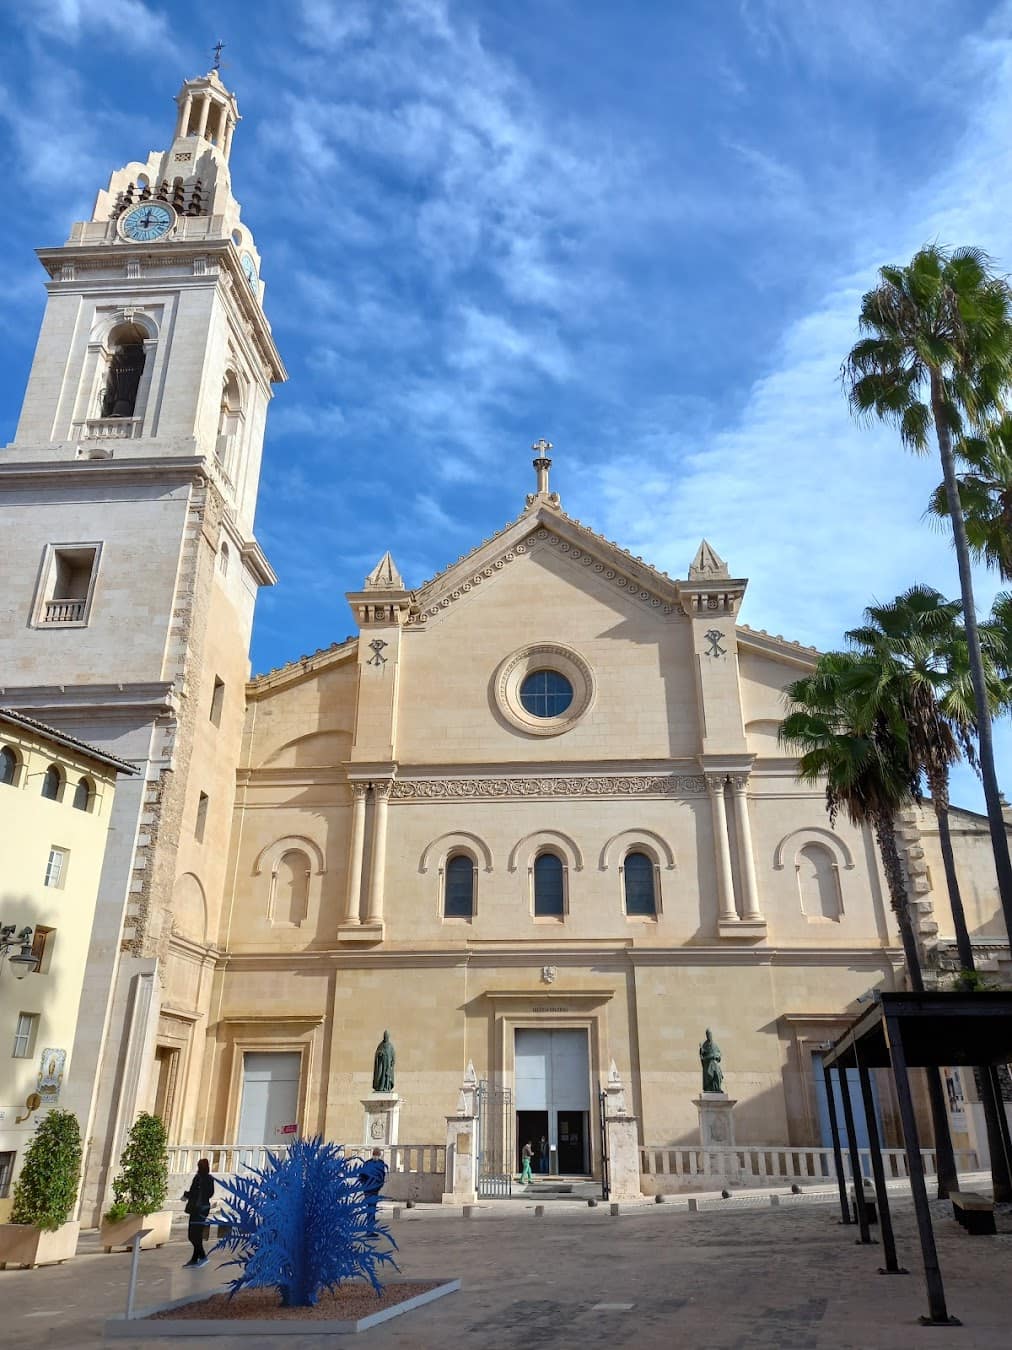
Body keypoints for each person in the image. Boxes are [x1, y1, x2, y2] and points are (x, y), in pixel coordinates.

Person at [182, 1157, 214, 1268]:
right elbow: (210, 1193)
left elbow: (193, 1192)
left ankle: (203, 1256)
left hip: (197, 1209)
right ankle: (195, 1259)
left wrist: (186, 1195)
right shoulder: (209, 1178)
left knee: (193, 1235)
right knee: (197, 1234)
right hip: (204, 1208)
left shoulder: (199, 1178)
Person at [358, 1147, 388, 1235]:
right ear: (373, 1155)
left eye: (377, 1155)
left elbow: (382, 1176)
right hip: (368, 1190)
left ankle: (370, 1230)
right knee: (370, 1209)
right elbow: (361, 1176)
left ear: (379, 1155)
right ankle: (369, 1231)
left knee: (372, 1210)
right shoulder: (367, 1163)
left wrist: (379, 1186)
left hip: (375, 1190)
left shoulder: (381, 1164)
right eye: (375, 1155)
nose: (376, 1156)